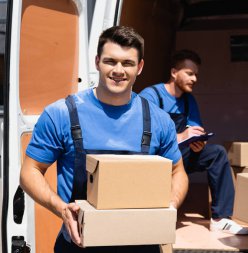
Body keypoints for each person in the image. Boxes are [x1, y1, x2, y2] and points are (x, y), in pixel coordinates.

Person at [19, 26, 188, 253]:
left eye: (127, 63)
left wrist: (170, 206)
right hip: (79, 244)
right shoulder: (62, 114)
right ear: (97, 62)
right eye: (111, 61)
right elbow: (30, 171)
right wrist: (61, 208)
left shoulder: (159, 120)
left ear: (140, 68)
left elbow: (178, 171)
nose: (118, 70)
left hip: (142, 244)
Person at [139, 49, 248, 235]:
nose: (194, 79)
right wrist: (180, 137)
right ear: (174, 73)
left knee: (217, 153)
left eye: (196, 75)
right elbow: (141, 136)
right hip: (155, 159)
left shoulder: (189, 100)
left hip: (181, 156)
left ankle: (220, 218)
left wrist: (198, 142)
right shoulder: (151, 96)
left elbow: (194, 129)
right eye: (189, 74)